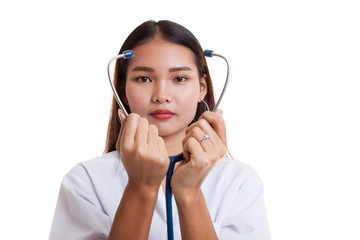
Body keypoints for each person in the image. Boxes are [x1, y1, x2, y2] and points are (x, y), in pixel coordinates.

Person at [49, 20, 271, 240]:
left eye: (179, 78)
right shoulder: (86, 182)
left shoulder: (239, 182)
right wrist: (140, 187)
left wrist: (189, 192)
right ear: (123, 92)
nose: (161, 95)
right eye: (144, 78)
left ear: (201, 89)